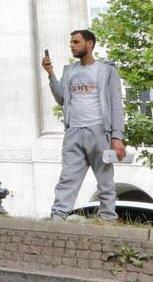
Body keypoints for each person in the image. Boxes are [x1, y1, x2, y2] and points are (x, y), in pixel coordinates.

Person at [44, 29, 126, 222]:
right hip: (73, 132)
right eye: (71, 42)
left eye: (76, 42)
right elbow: (62, 99)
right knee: (67, 178)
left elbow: (116, 104)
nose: (72, 46)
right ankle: (58, 218)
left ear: (90, 44)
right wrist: (51, 74)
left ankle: (107, 218)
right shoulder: (70, 70)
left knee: (105, 181)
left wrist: (117, 137)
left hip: (99, 131)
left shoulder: (106, 70)